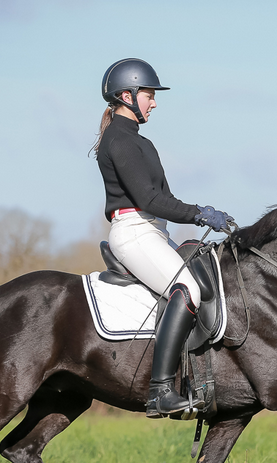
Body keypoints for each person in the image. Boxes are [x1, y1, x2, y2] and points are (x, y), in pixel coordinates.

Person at [94, 58, 233, 419]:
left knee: (208, 277)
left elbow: (164, 202)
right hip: (134, 230)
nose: (154, 103)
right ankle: (160, 392)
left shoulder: (143, 143)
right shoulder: (119, 141)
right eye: (149, 95)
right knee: (187, 289)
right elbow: (150, 201)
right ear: (127, 95)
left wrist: (197, 214)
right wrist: (201, 213)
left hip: (154, 230)